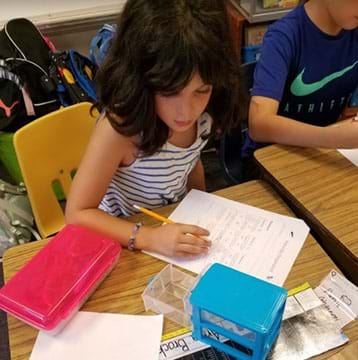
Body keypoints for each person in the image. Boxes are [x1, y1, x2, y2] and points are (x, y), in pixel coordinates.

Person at [65, 0, 240, 257]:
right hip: (122, 238)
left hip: (169, 226)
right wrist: (148, 236)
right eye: (170, 92)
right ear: (140, 79)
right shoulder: (121, 128)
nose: (187, 113)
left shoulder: (207, 113)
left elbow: (189, 162)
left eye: (201, 90)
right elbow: (77, 214)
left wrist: (204, 208)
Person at [249, 0, 358, 148]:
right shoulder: (284, 36)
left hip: (326, 150)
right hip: (273, 153)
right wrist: (335, 138)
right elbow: (259, 124)